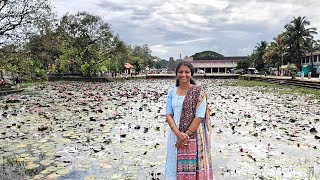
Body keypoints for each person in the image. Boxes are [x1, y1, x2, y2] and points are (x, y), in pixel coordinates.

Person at [165, 61, 213, 179]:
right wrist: (177, 133)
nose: (183, 75)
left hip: (194, 134)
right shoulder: (171, 92)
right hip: (174, 133)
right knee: (173, 163)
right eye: (180, 72)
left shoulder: (199, 92)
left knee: (193, 167)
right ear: (176, 74)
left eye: (187, 72)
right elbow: (168, 114)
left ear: (191, 74)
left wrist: (185, 135)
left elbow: (200, 116)